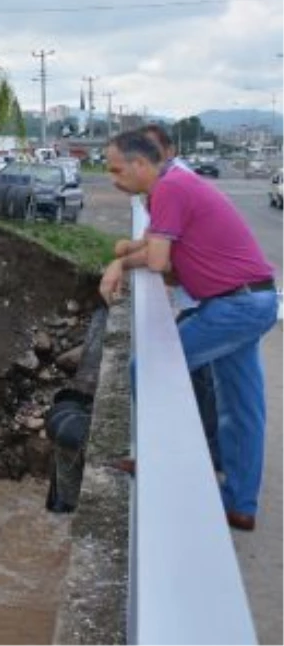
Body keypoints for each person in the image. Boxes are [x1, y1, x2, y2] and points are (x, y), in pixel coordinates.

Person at [99, 130, 276, 531]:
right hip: (251, 300)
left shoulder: (171, 188)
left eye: (116, 168)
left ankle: (159, 465)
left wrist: (120, 263)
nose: (112, 177)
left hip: (236, 306)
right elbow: (154, 252)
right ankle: (240, 504)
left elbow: (158, 261)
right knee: (242, 407)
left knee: (148, 370)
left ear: (141, 164)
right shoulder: (174, 186)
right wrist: (128, 256)